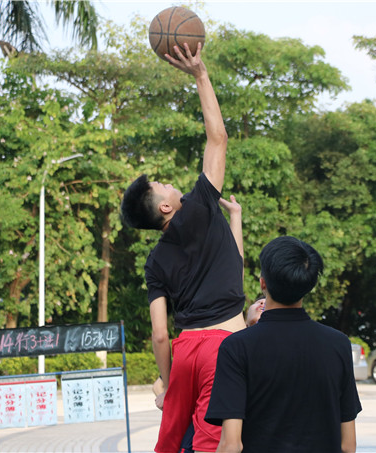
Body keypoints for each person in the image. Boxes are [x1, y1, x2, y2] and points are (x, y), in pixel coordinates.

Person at [120, 42, 246, 453]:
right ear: (165, 206)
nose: (168, 182)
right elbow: (218, 138)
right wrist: (200, 75)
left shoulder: (155, 261)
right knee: (214, 444)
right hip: (223, 346)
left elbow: (160, 334)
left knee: (171, 443)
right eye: (161, 185)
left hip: (186, 348)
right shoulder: (199, 207)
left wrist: (168, 379)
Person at [205, 236, 362, 453]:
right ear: (309, 285)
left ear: (263, 283)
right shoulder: (338, 344)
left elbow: (231, 444)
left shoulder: (236, 347)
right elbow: (348, 445)